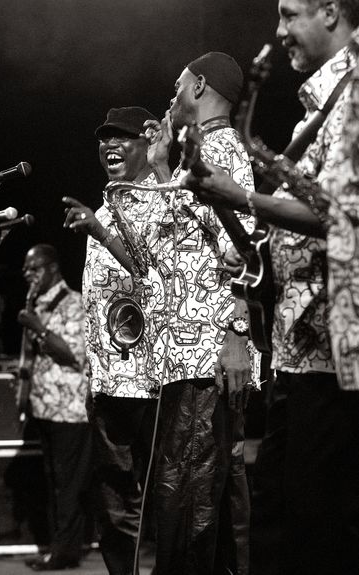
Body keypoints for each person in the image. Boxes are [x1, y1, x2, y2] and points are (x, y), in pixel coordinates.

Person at [182, 2, 359, 574]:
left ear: (331, 12)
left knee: (318, 527)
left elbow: (342, 213)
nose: (278, 32)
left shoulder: (354, 95)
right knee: (281, 523)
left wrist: (241, 197)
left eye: (289, 14)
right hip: (300, 347)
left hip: (333, 355)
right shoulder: (321, 105)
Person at [143, 52, 260, 575]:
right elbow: (181, 241)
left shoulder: (223, 150)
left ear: (201, 86)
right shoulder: (201, 150)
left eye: (177, 87)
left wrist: (236, 335)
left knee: (191, 490)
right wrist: (163, 164)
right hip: (184, 353)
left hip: (206, 351)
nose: (170, 99)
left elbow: (245, 249)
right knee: (191, 489)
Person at [63, 106, 166, 575]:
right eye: (104, 139)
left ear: (148, 142)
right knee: (112, 501)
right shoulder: (102, 208)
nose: (109, 146)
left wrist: (102, 233)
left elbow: (160, 280)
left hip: (152, 380)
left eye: (122, 137)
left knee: (165, 494)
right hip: (107, 381)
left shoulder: (164, 200)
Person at [18, 243, 92, 571]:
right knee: (53, 482)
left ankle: (65, 553)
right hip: (45, 407)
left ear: (52, 268)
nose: (28, 276)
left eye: (34, 269)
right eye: (25, 270)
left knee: (68, 485)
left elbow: (72, 353)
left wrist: (37, 327)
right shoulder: (38, 304)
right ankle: (57, 548)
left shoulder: (73, 303)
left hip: (70, 410)